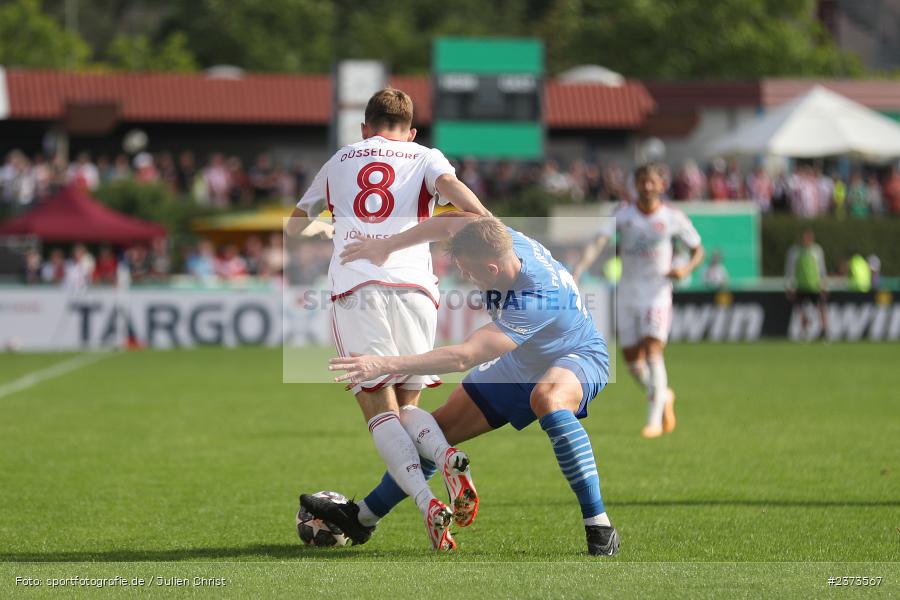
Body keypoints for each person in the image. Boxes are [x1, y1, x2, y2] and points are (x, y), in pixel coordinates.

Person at [308, 215, 619, 556]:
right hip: (522, 363)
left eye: (470, 272)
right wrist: (386, 246)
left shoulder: (537, 296)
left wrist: (382, 365)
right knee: (432, 437)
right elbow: (453, 221)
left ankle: (599, 524)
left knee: (547, 397)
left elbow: (464, 357)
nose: (467, 279)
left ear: (492, 269)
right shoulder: (499, 238)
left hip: (580, 354)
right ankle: (362, 519)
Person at [289, 88, 490, 551]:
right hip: (417, 288)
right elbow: (461, 199)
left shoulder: (341, 158)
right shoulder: (425, 154)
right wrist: (478, 218)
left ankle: (427, 502)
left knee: (380, 410)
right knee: (411, 405)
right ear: (411, 130)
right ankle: (447, 454)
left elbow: (297, 223)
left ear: (365, 127)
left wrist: (332, 227)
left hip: (357, 288)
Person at [572, 163, 704, 438]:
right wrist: (578, 271)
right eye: (642, 181)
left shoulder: (672, 216)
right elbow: (598, 241)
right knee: (632, 359)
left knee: (653, 350)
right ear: (636, 184)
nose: (646, 187)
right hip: (628, 292)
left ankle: (654, 420)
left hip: (657, 294)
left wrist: (685, 269)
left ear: (661, 185)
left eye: (652, 182)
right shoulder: (624, 214)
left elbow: (697, 250)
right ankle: (662, 396)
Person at [785, 229, 828, 340]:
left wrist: (824, 285)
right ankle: (805, 331)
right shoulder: (795, 251)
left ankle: (824, 331)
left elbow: (822, 269)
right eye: (805, 238)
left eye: (809, 238)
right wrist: (789, 286)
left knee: (821, 307)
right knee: (800, 310)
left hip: (815, 285)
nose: (807, 241)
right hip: (801, 285)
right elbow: (790, 269)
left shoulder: (817, 250)